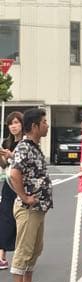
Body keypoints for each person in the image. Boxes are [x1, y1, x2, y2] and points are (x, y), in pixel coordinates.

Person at [8, 107, 53, 282]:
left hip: (38, 207)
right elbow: (14, 173)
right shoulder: (25, 147)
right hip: (28, 208)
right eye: (43, 123)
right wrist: (25, 197)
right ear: (34, 126)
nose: (47, 126)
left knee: (35, 247)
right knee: (24, 247)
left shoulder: (34, 146)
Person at [0, 110, 24, 269]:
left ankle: (22, 257)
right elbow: (5, 166)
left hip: (23, 186)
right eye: (10, 124)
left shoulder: (27, 143)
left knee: (21, 222)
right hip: (9, 186)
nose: (13, 126)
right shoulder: (7, 143)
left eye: (16, 122)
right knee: (5, 219)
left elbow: (22, 164)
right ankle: (1, 255)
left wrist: (10, 156)